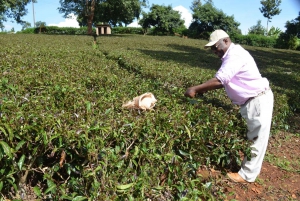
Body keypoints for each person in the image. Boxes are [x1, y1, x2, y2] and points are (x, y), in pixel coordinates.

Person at [184, 29, 274, 183]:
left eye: (215, 46)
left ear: (225, 41)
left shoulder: (235, 55)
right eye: (211, 48)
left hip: (257, 101)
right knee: (250, 136)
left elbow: (221, 80)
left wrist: (195, 89)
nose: (214, 51)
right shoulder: (230, 55)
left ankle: (246, 176)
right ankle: (244, 168)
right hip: (250, 101)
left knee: (256, 139)